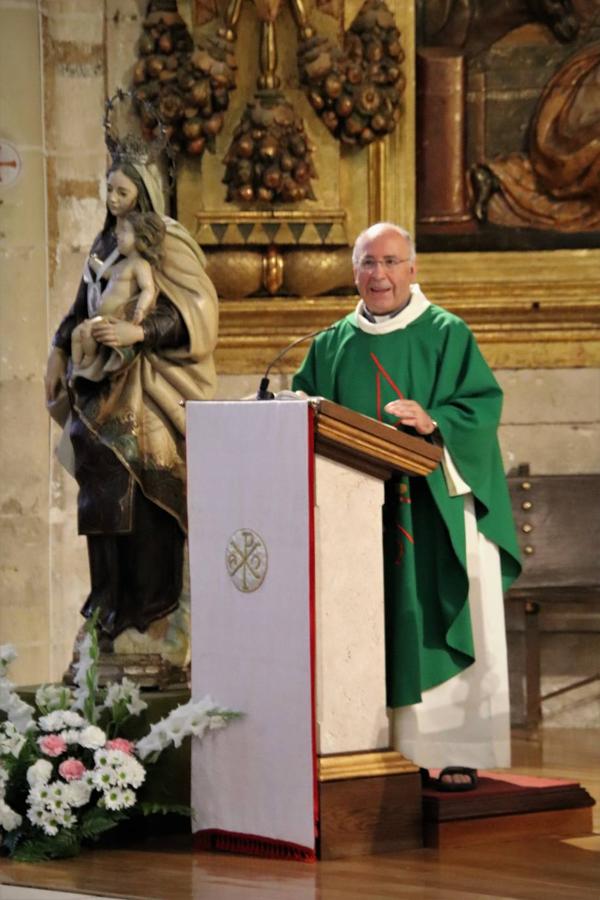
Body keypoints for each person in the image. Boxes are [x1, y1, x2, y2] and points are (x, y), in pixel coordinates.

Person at [292, 222, 521, 788]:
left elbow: (479, 407)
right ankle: (361, 747)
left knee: (429, 607)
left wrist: (434, 420)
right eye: (369, 264)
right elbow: (299, 407)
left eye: (392, 262)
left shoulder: (447, 332)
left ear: (413, 269)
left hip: (431, 505)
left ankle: (452, 747)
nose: (380, 275)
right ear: (354, 273)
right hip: (355, 520)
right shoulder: (330, 343)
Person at [44, 151, 219, 650]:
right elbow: (82, 305)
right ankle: (108, 603)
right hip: (99, 384)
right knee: (99, 488)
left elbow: (196, 310)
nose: (114, 201)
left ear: (144, 191)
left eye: (123, 191)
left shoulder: (165, 241)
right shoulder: (105, 243)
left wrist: (138, 331)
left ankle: (151, 612)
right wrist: (58, 352)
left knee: (148, 490)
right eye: (109, 191)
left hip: (150, 389)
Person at [72, 210, 165, 372]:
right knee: (75, 334)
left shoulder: (140, 265)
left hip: (115, 318)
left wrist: (140, 309)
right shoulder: (121, 265)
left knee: (86, 333)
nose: (117, 235)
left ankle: (89, 364)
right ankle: (76, 368)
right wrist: (93, 262)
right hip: (101, 316)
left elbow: (148, 288)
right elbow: (106, 273)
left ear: (140, 238)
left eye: (124, 231)